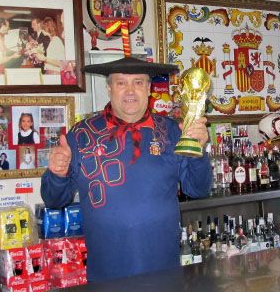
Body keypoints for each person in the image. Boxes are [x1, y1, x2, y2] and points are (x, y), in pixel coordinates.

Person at [40, 57, 212, 282]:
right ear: (109, 88)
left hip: (164, 274)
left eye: (138, 83)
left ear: (149, 88)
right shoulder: (81, 135)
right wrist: (57, 174)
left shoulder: (172, 131)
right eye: (121, 83)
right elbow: (54, 200)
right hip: (106, 276)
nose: (130, 91)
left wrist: (199, 152)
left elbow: (198, 189)